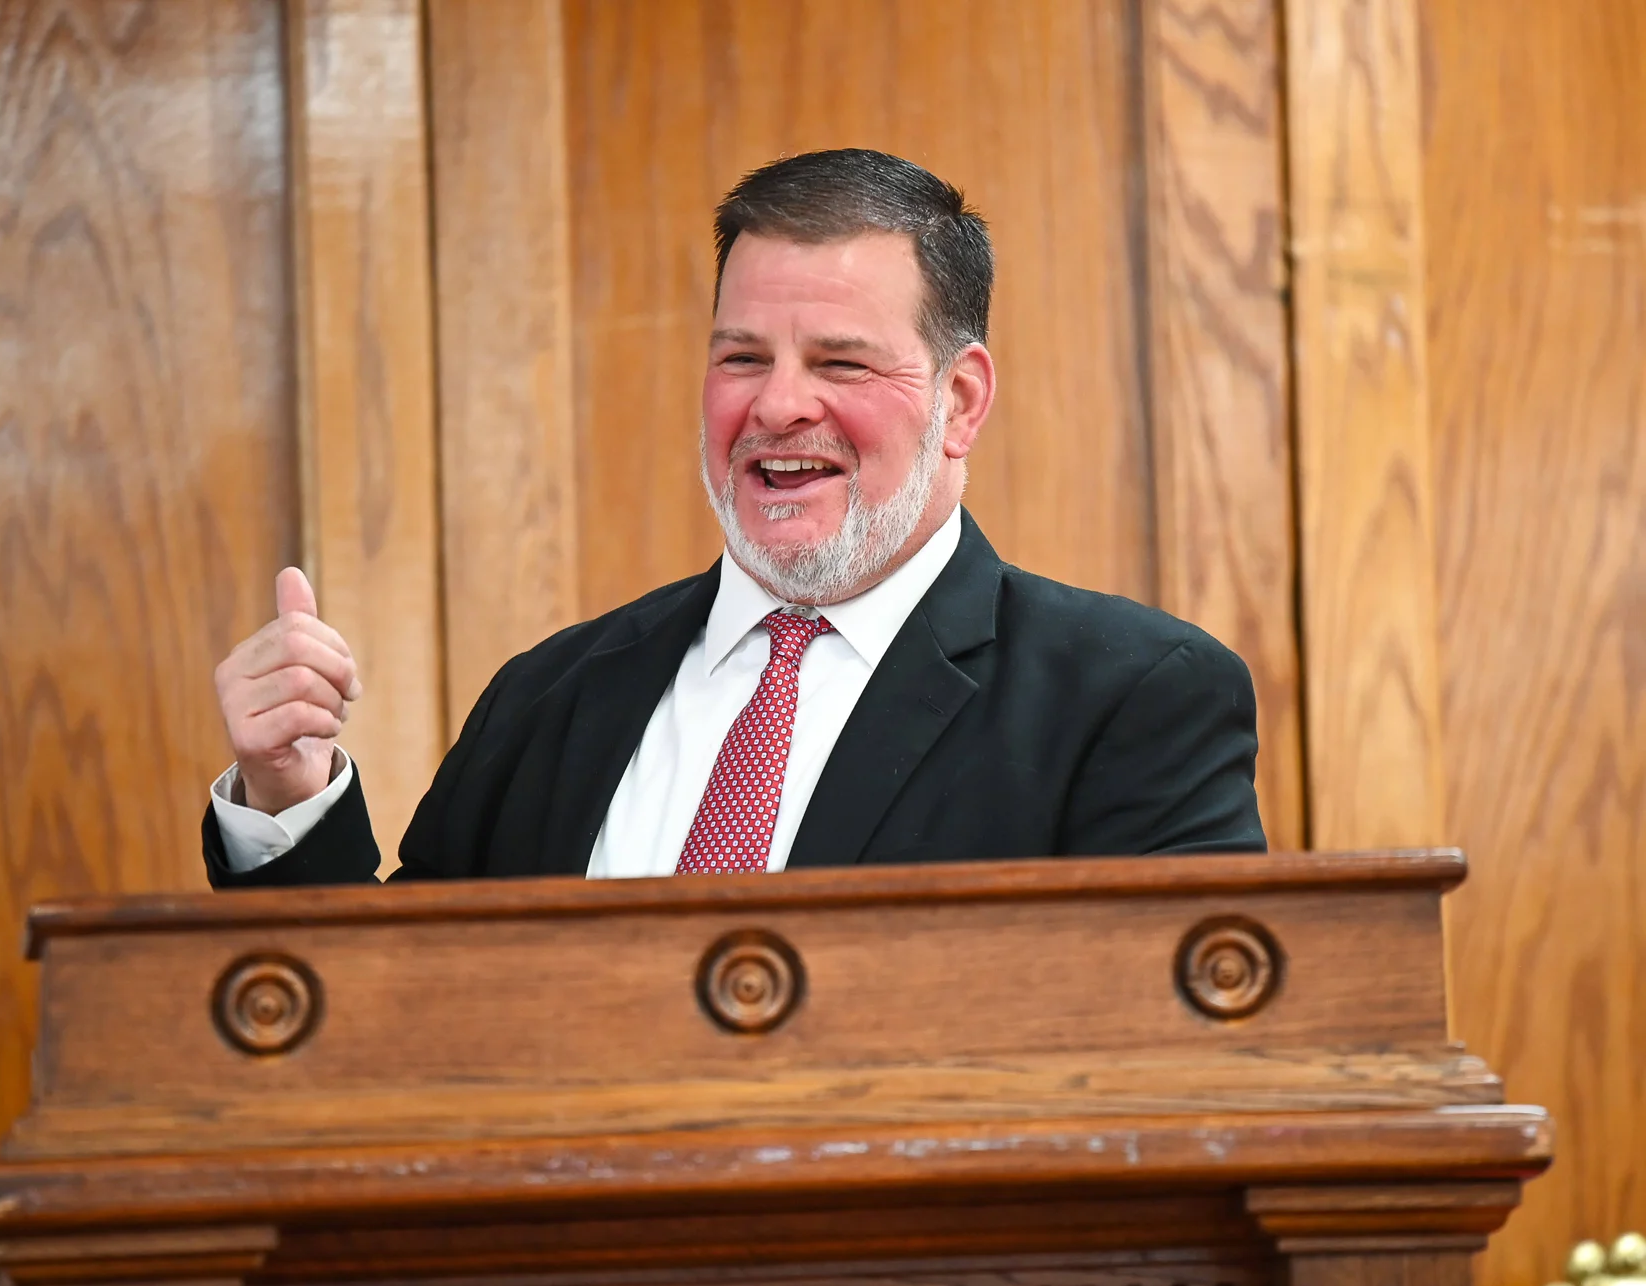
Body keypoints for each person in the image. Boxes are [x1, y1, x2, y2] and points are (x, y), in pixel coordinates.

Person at [204, 148, 1265, 887]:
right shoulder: (549, 697)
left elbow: (1166, 1069)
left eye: (840, 361)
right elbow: (393, 1022)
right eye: (741, 358)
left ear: (963, 401)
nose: (776, 405)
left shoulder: (1131, 700)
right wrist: (290, 794)